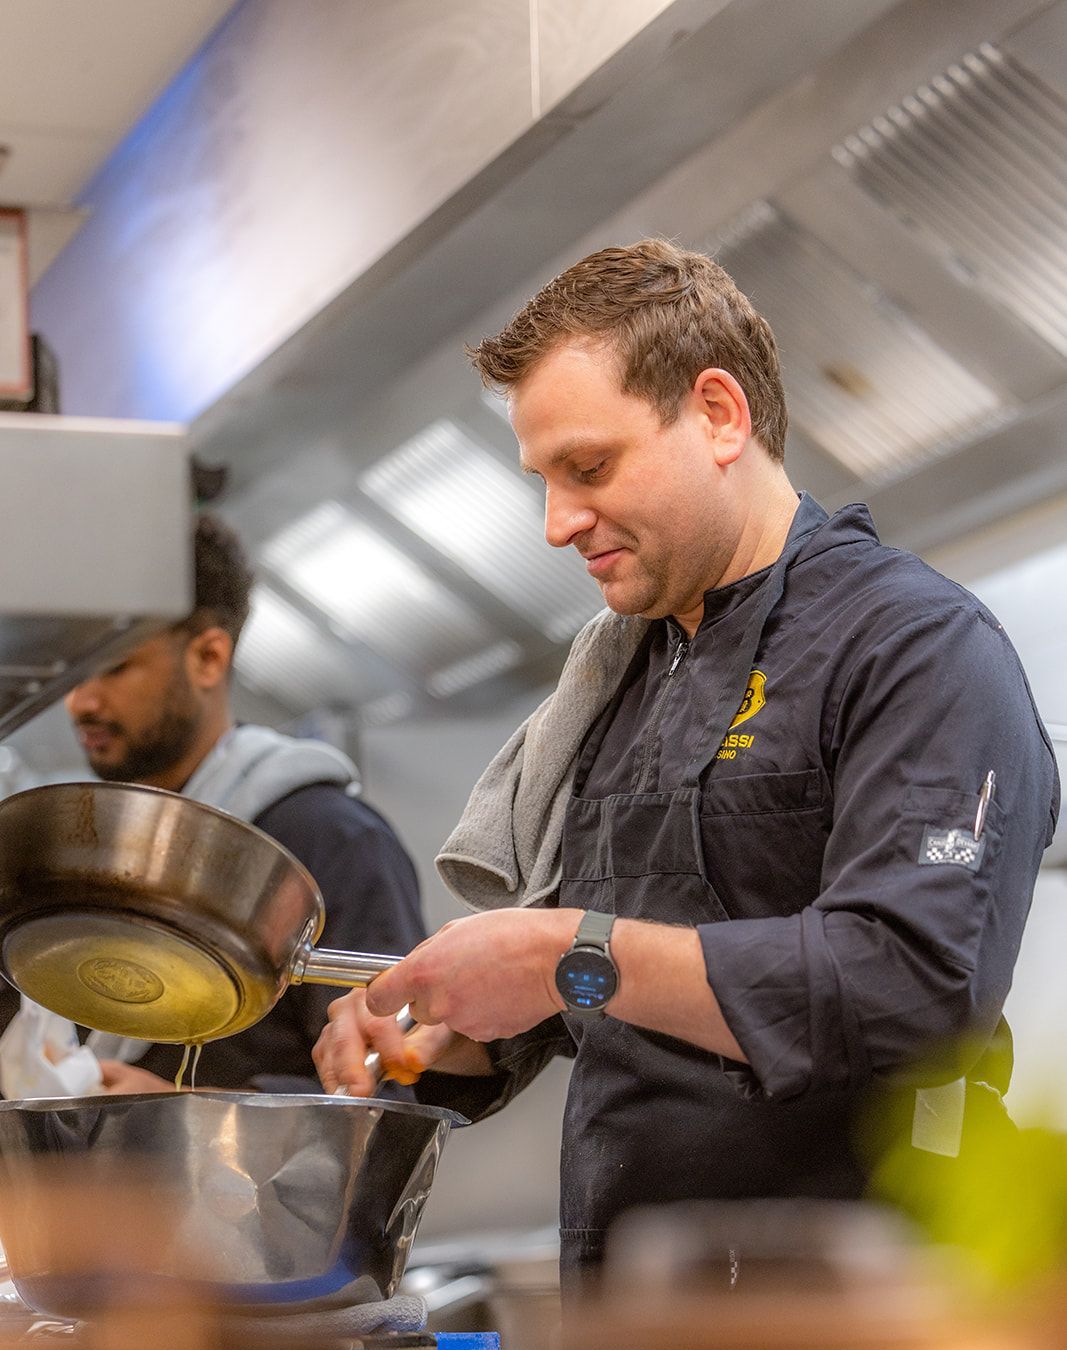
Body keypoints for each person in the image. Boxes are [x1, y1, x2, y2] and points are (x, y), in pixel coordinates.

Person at [313, 238, 1060, 1276]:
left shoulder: (914, 647)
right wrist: (453, 1028)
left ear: (717, 413)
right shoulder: (621, 680)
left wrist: (559, 950)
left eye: (588, 467)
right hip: (635, 1310)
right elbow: (612, 1000)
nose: (555, 522)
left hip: (860, 1329)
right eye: (542, 479)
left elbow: (908, 984)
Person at [0, 511, 425, 1094]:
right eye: (71, 672)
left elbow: (386, 1089)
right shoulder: (80, 839)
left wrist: (188, 1120)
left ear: (208, 658)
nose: (80, 701)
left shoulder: (329, 837)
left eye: (114, 668)